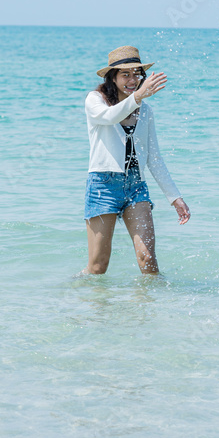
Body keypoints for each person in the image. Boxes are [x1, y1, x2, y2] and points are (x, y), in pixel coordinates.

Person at [82, 46, 190, 275]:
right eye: (126, 74)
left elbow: (154, 158)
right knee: (98, 266)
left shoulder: (146, 110)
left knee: (148, 259)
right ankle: (83, 300)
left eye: (137, 74)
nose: (133, 80)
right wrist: (138, 96)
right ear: (113, 77)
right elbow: (109, 117)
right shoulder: (95, 100)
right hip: (103, 185)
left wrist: (175, 197)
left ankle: (149, 309)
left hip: (136, 185)